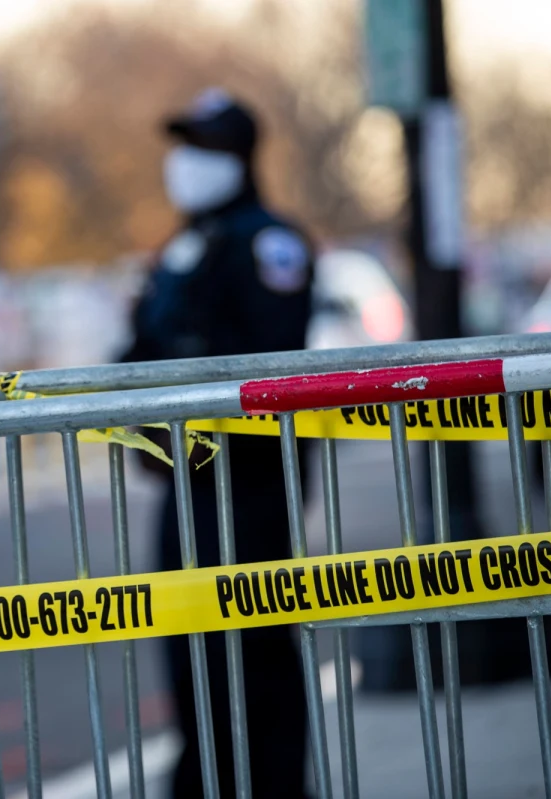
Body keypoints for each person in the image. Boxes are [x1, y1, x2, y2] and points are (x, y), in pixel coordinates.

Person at [120, 89, 313, 798]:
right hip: (186, 481)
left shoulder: (271, 241)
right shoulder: (181, 246)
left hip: (251, 484)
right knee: (189, 647)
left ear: (237, 157)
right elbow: (139, 349)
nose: (186, 164)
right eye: (184, 147)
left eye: (203, 148)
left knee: (256, 651)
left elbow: (264, 356)